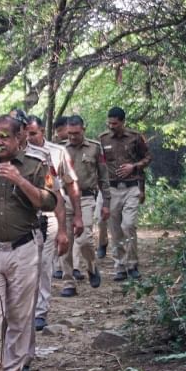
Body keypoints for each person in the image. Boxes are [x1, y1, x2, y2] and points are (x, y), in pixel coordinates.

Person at [0, 114, 59, 371]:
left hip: (23, 249)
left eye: (4, 138)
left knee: (20, 314)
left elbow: (48, 201)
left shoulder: (35, 165)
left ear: (19, 137)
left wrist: (19, 180)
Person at [23, 116, 82, 335]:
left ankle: (40, 310)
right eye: (26, 133)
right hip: (24, 219)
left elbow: (67, 185)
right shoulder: (16, 156)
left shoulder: (56, 153)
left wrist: (76, 218)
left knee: (44, 263)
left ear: (42, 132)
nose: (29, 138)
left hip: (49, 215)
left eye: (33, 133)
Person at [59, 115, 111, 295]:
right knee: (65, 242)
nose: (73, 136)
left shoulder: (95, 148)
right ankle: (68, 283)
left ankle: (91, 266)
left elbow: (104, 177)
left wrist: (106, 203)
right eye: (70, 133)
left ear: (83, 129)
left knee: (85, 240)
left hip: (87, 198)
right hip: (65, 199)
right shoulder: (60, 150)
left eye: (76, 133)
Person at [99, 106, 151, 280]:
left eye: (114, 123)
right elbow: (99, 165)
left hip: (131, 187)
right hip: (112, 189)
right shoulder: (103, 139)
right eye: (109, 123)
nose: (111, 126)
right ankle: (120, 266)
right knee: (115, 230)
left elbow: (148, 158)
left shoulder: (135, 138)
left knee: (128, 225)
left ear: (122, 122)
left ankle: (132, 263)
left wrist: (134, 166)